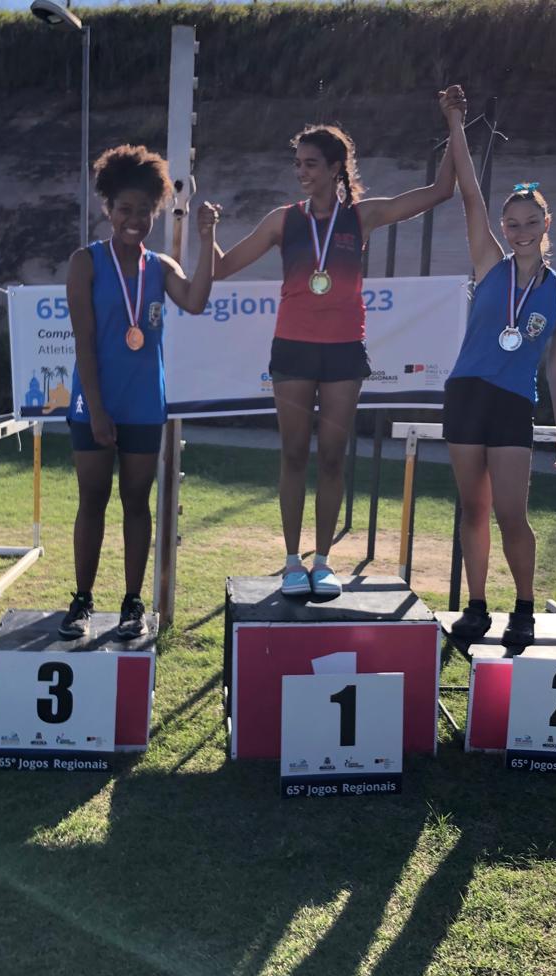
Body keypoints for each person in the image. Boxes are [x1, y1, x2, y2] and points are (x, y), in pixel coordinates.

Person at [213, 93, 463, 597]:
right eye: (297, 163)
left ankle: (323, 561)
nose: (301, 172)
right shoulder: (283, 220)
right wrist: (202, 231)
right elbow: (219, 268)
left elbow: (441, 191)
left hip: (345, 351)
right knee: (292, 456)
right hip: (293, 350)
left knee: (331, 457)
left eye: (310, 164)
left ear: (334, 168)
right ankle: (290, 563)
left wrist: (455, 122)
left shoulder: (362, 217)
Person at [440, 86, 556, 647]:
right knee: (471, 507)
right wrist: (455, 121)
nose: (519, 232)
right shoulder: (488, 264)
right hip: (466, 393)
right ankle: (476, 606)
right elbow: (469, 194)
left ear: (547, 225)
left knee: (509, 512)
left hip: (512, 405)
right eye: (511, 224)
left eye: (529, 222)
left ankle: (523, 606)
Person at [61, 144, 219, 640]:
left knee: (137, 503)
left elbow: (194, 301)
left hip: (145, 405)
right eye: (124, 209)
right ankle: (82, 602)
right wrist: (99, 410)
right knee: (93, 500)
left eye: (144, 211)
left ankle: (132, 604)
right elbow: (84, 342)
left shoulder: (160, 266)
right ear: (107, 209)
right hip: (95, 403)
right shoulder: (84, 262)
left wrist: (208, 239)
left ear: (154, 212)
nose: (134, 220)